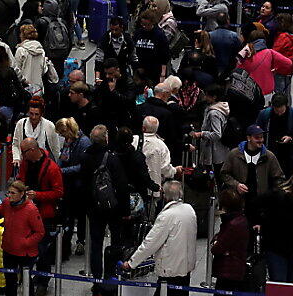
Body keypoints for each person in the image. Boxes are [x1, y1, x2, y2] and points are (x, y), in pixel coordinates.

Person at [122, 180, 198, 296]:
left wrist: (132, 263)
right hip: (186, 268)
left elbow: (150, 243)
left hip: (169, 270)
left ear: (165, 196)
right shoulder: (189, 210)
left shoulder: (166, 216)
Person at [81, 125, 130, 295]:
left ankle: (97, 280)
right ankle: (111, 278)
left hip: (94, 208)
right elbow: (122, 186)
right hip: (113, 207)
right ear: (106, 138)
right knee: (116, 243)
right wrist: (125, 210)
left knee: (96, 244)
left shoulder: (85, 156)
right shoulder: (112, 158)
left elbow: (84, 183)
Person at [15, 137, 64, 295]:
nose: (22, 156)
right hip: (26, 212)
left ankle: (43, 281)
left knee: (42, 250)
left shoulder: (52, 168)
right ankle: (29, 277)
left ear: (33, 150)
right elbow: (20, 179)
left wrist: (37, 195)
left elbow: (58, 192)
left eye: (24, 152)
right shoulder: (26, 163)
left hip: (44, 215)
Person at [0, 180, 45, 296]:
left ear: (22, 194)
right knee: (9, 281)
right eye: (9, 193)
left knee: (26, 281)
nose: (9, 195)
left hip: (25, 253)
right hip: (8, 249)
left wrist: (25, 242)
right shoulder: (6, 203)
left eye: (13, 193)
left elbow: (40, 232)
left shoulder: (31, 209)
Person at [221, 125, 286, 218]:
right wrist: (236, 185)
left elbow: (279, 179)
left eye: (261, 137)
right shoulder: (234, 154)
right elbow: (224, 174)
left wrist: (270, 195)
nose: (260, 140)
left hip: (261, 206)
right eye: (256, 137)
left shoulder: (269, 156)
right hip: (239, 203)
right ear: (248, 138)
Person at [56, 117, 92, 256]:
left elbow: (83, 167)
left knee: (80, 216)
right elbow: (62, 157)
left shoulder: (84, 143)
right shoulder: (68, 141)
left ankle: (81, 242)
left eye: (62, 133)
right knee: (67, 215)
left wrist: (63, 171)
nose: (61, 136)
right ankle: (66, 240)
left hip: (80, 185)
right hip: (68, 184)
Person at [211, 187, 250, 291]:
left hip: (229, 271)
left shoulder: (232, 224)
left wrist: (216, 242)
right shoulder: (240, 219)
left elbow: (217, 248)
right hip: (234, 269)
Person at [237, 29, 293, 96]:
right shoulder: (269, 52)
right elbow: (288, 63)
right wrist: (276, 69)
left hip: (249, 94)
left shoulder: (244, 54)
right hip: (267, 94)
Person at [132, 116, 180, 195]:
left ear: (143, 128)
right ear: (157, 129)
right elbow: (165, 169)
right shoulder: (161, 145)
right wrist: (175, 170)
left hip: (134, 187)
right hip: (153, 190)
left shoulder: (133, 140)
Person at [255, 93, 293, 165]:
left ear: (286, 106)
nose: (279, 114)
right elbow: (258, 128)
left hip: (289, 151)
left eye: (281, 111)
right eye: (276, 111)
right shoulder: (264, 114)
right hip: (270, 148)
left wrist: (291, 137)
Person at [12, 97, 61, 165]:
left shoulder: (50, 126)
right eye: (31, 114)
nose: (33, 117)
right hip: (24, 164)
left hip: (44, 164)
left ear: (41, 114)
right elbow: (16, 145)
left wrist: (55, 164)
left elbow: (55, 149)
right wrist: (16, 158)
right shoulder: (21, 123)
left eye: (36, 114)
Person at [14, 24, 58, 96]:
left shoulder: (21, 50)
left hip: (24, 87)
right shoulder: (41, 50)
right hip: (38, 87)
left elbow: (17, 70)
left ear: (23, 35)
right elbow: (44, 70)